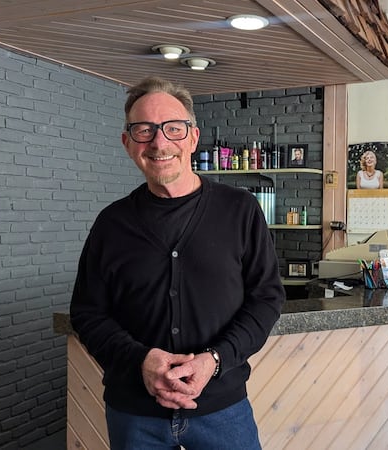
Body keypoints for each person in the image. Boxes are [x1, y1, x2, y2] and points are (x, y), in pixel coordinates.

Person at [70, 76, 285, 449]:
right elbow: (87, 313)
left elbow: (266, 299)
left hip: (222, 409)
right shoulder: (111, 223)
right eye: (144, 130)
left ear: (193, 137)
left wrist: (214, 360)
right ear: (127, 143)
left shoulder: (240, 210)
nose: (159, 142)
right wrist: (141, 360)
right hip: (134, 415)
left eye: (173, 128)